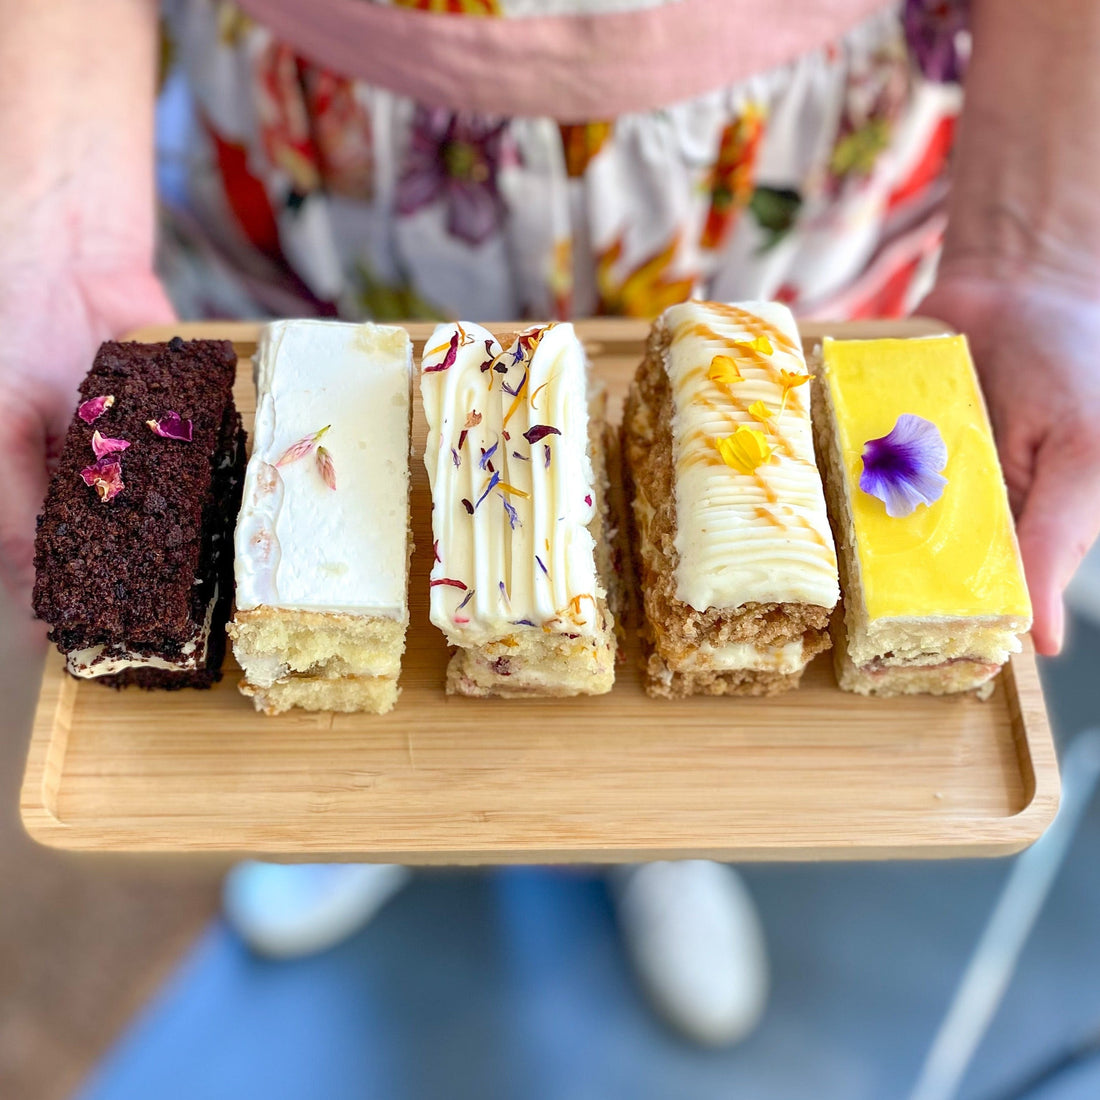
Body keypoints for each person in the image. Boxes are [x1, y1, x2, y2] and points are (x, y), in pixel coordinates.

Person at [4, 0, 1100, 1048]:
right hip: (330, 152)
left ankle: (658, 844)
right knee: (352, 474)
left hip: (780, 163)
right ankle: (357, 828)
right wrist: (46, 236)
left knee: (685, 614)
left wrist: (1041, 253)